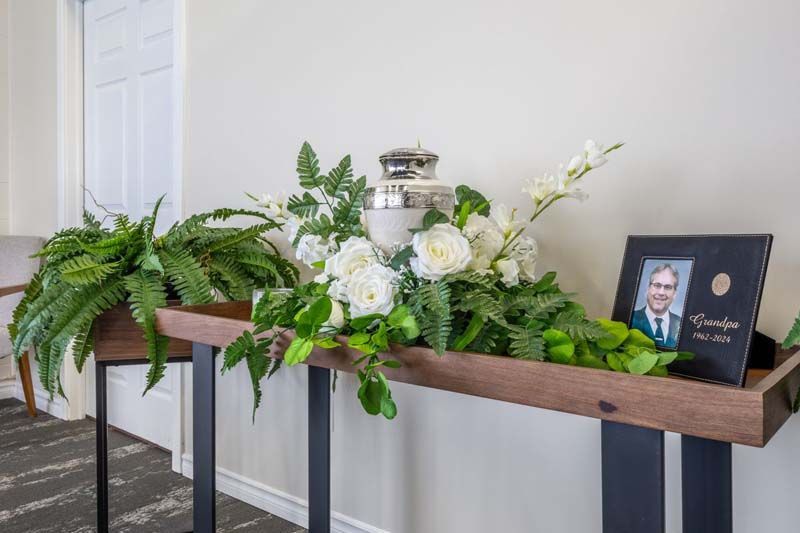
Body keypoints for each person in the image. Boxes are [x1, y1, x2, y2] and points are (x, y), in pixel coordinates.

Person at [630, 263, 682, 348]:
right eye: (657, 285)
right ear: (648, 288)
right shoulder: (630, 319)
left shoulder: (681, 324)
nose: (661, 292)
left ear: (675, 293)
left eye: (668, 287)